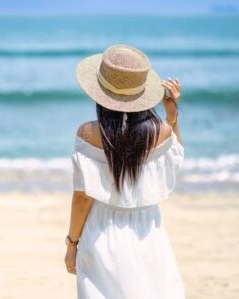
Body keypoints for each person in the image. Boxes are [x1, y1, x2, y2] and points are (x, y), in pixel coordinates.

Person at [64, 44, 184, 298]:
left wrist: (72, 243)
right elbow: (173, 163)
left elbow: (83, 196)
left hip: (101, 230)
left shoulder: (89, 133)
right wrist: (172, 114)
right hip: (148, 229)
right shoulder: (161, 131)